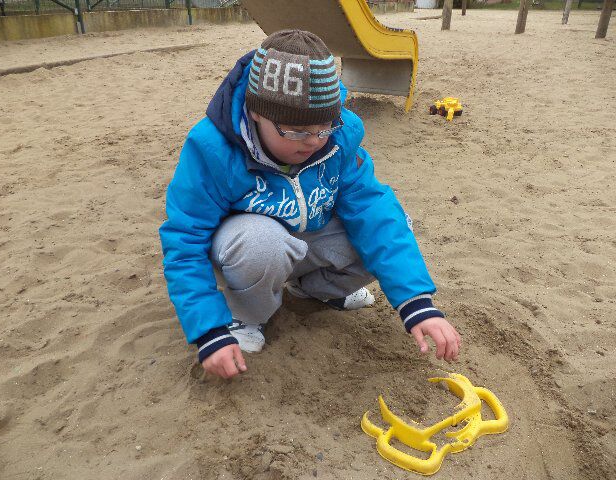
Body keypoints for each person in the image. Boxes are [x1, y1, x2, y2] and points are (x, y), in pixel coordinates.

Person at [159, 30, 461, 380]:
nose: (315, 141)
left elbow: (374, 212)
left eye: (324, 126)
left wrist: (417, 303)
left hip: (307, 241)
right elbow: (185, 239)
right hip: (247, 253)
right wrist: (208, 329)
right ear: (256, 113)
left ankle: (315, 291)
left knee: (388, 224)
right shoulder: (212, 149)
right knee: (261, 243)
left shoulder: (339, 139)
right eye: (297, 131)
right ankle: (244, 315)